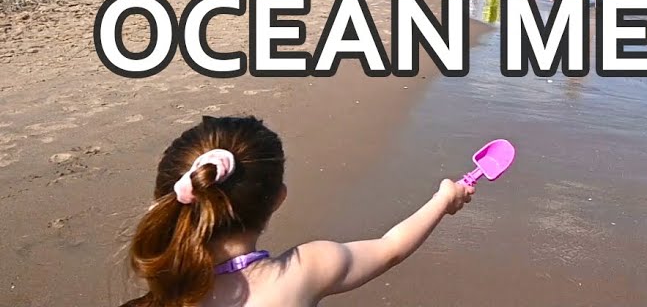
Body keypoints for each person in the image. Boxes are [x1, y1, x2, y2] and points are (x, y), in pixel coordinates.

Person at [118, 115, 472, 307]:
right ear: (277, 198)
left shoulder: (164, 280)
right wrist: (444, 199)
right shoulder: (304, 271)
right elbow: (390, 247)